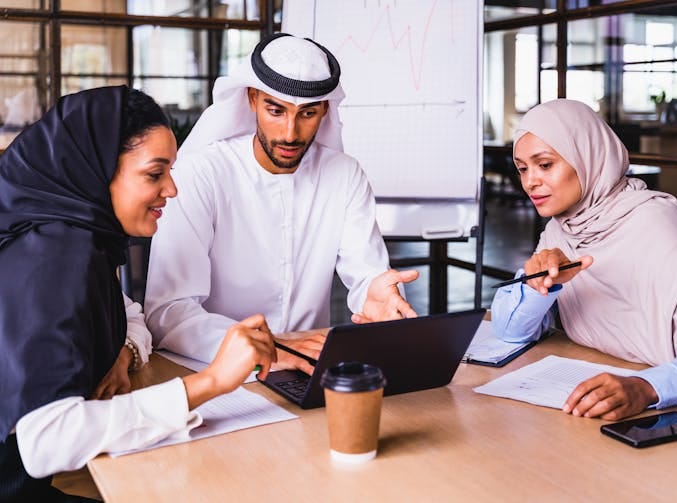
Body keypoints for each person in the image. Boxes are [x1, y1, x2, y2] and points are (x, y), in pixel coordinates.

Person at [0, 86, 277, 502]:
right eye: (154, 174)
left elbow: (128, 310)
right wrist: (211, 382)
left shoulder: (75, 236)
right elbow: (46, 443)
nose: (172, 189)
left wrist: (124, 350)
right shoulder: (58, 257)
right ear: (94, 170)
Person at [144, 33, 419, 367]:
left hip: (308, 365)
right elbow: (168, 311)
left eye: (307, 114)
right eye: (276, 111)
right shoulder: (201, 175)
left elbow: (368, 276)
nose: (290, 133)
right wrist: (267, 347)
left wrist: (376, 296)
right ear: (252, 99)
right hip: (213, 368)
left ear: (324, 112)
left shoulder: (344, 175)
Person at [491, 98, 677, 421]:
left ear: (588, 158)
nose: (530, 182)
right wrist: (534, 288)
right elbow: (509, 333)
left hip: (676, 411)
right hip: (590, 394)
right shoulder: (561, 230)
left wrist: (645, 387)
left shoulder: (658, 225)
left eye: (545, 165)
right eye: (522, 169)